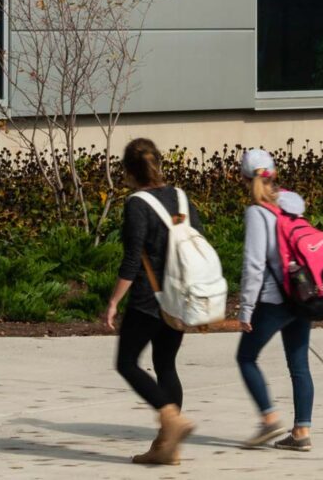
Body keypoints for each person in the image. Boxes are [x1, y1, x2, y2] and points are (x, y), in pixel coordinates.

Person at [101, 139, 194, 467]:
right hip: (180, 297)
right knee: (166, 364)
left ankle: (170, 419)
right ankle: (167, 447)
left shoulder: (137, 203)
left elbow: (131, 259)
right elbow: (196, 241)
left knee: (126, 362)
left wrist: (114, 301)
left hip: (147, 299)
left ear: (128, 171)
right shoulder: (180, 196)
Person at [233, 148, 315, 453]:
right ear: (274, 174)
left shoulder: (257, 212)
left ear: (243, 179)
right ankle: (301, 431)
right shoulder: (292, 205)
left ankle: (269, 418)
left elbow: (254, 265)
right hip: (300, 293)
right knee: (299, 366)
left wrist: (246, 309)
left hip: (272, 299)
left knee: (245, 358)